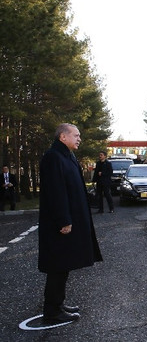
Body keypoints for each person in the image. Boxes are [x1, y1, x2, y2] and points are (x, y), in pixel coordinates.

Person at [38, 123, 102, 324]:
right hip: (60, 224)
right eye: (76, 135)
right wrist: (64, 220)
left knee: (64, 264)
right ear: (62, 137)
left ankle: (59, 303)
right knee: (57, 266)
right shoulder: (53, 157)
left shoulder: (68, 156)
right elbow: (56, 192)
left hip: (70, 220)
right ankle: (52, 311)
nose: (79, 138)